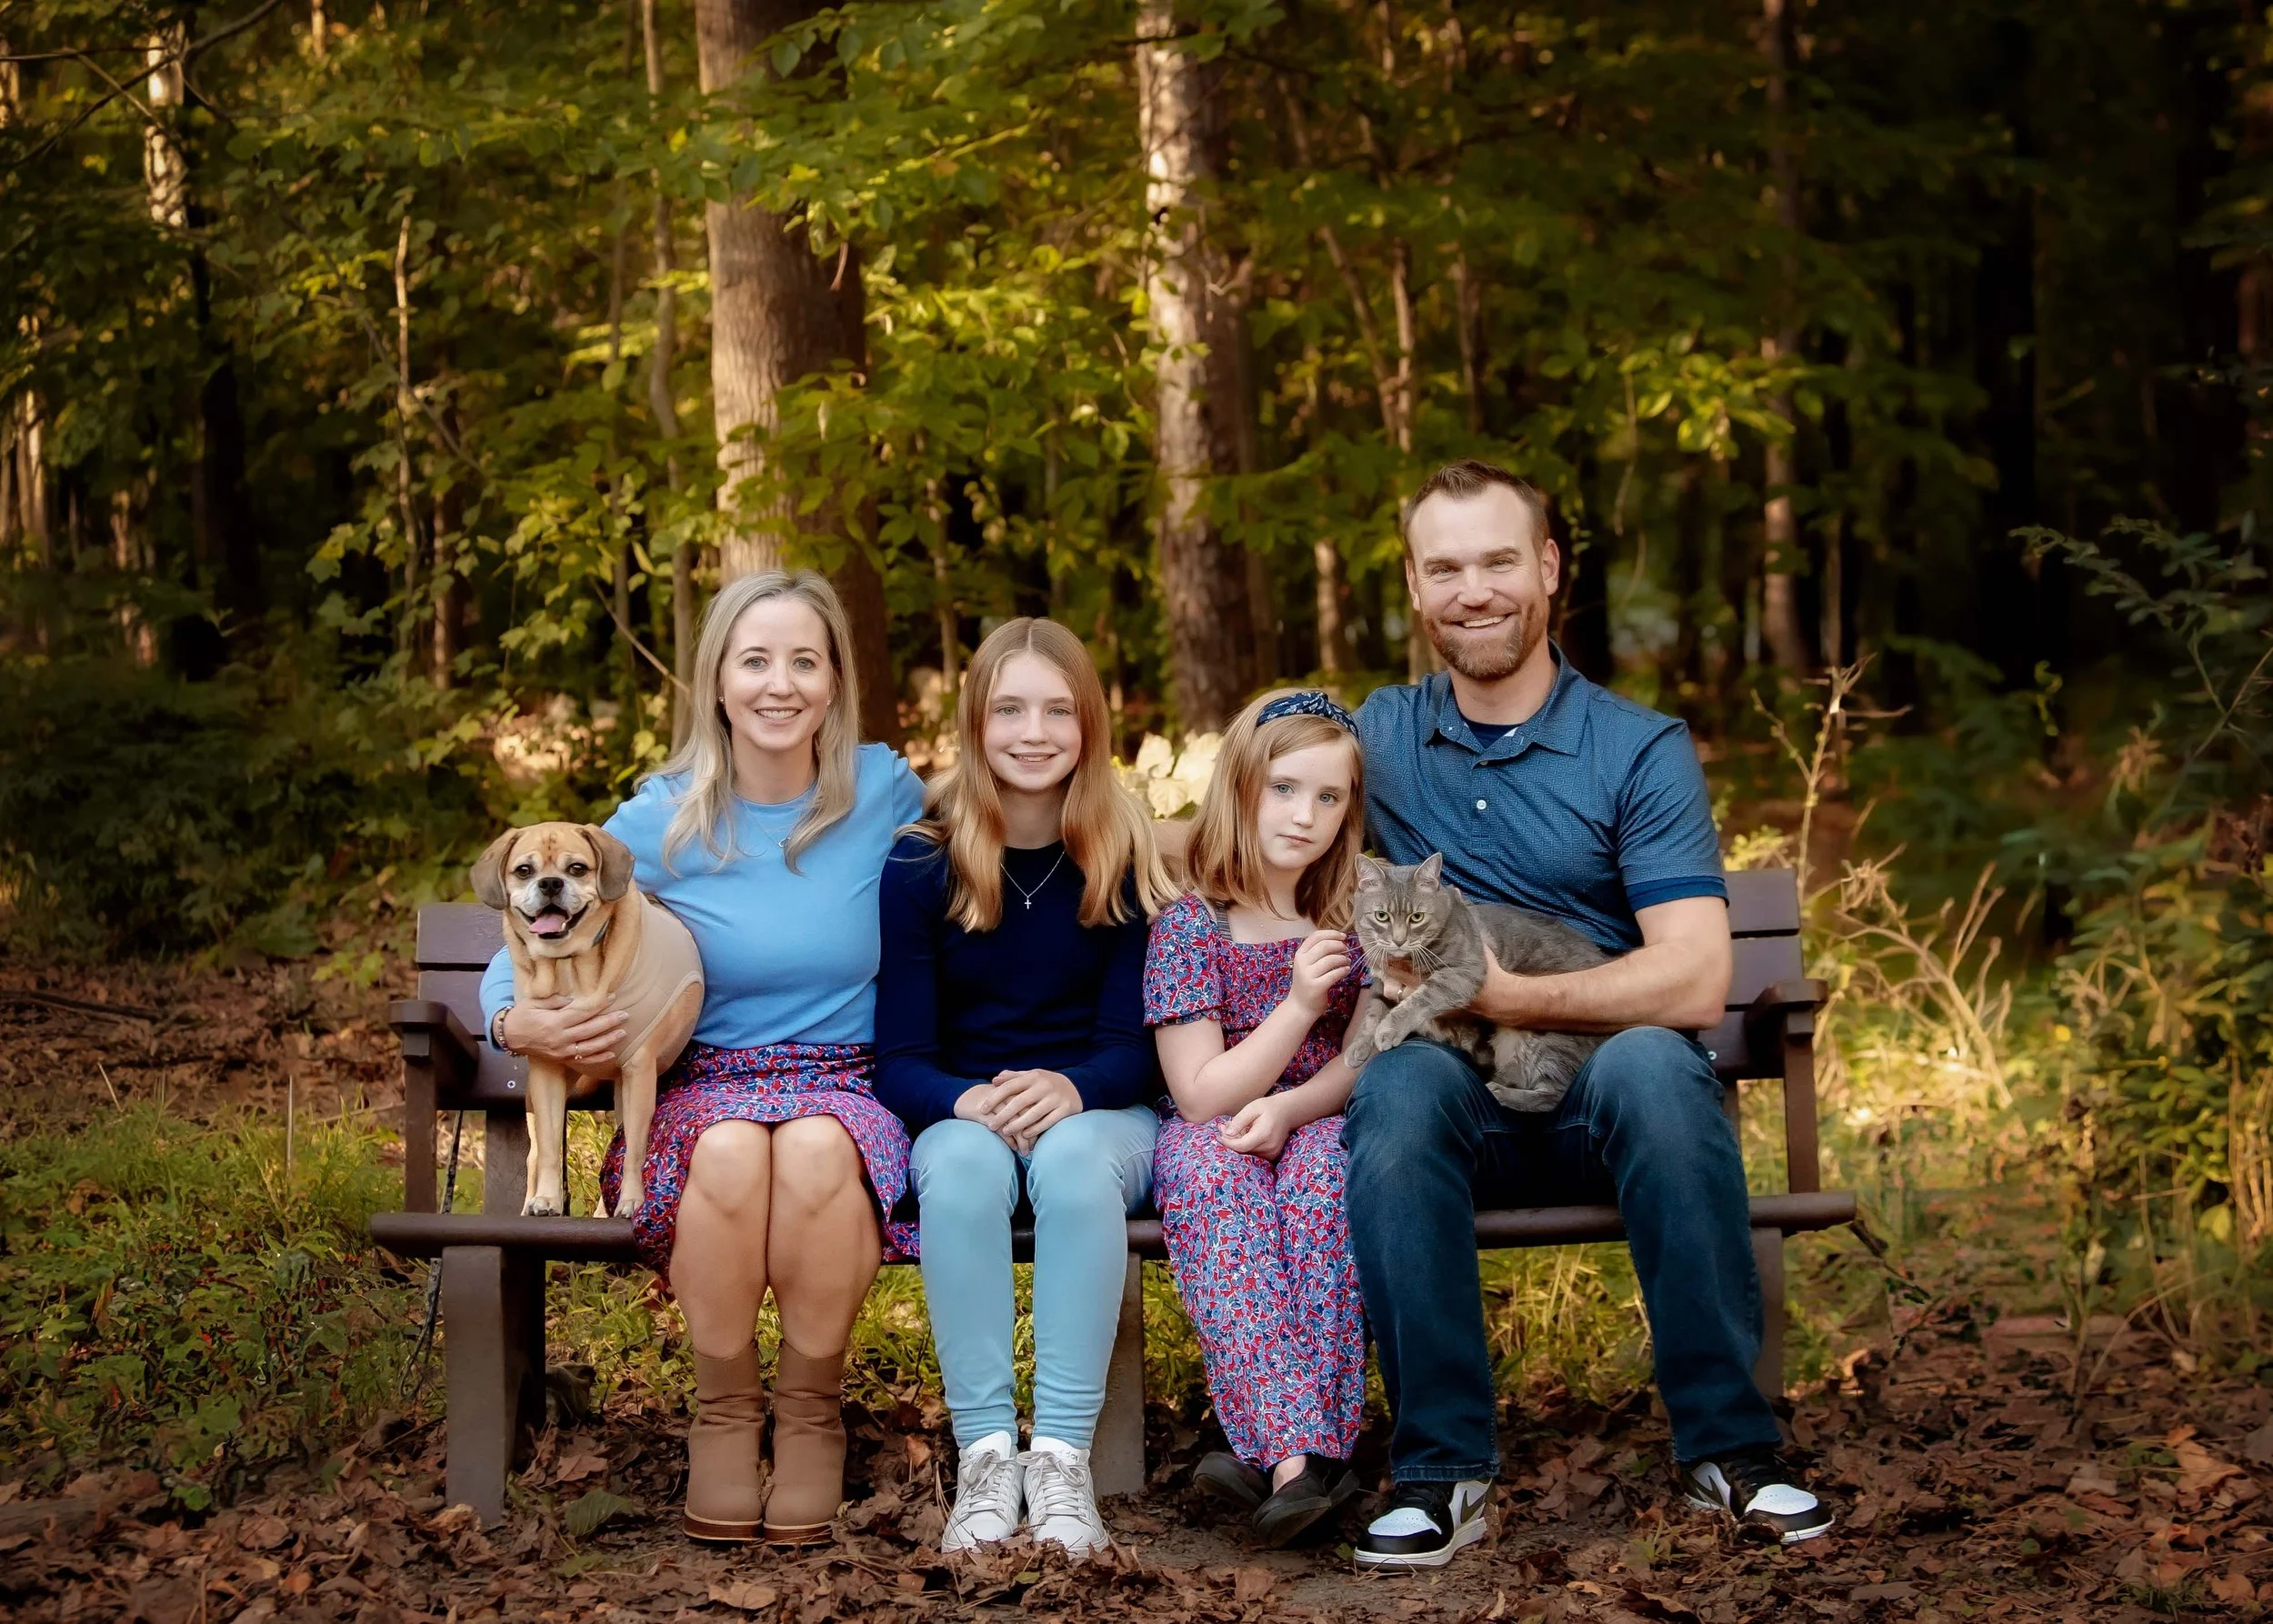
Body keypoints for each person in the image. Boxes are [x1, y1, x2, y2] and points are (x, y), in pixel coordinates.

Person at [1343, 459, 1835, 1569]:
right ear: (1417, 591)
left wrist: (1504, 992)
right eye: (1445, 568)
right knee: (1398, 1082)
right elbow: (1246, 810)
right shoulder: (1376, 735)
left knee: (1660, 1066)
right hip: (1457, 1105)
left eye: (1499, 561)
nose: (1474, 590)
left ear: (1550, 569)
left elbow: (1693, 976)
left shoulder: (1636, 747)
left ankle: (1733, 1449)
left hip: (1601, 1105)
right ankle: (1438, 1469)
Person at [479, 570, 924, 1546]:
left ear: (836, 680)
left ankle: (808, 1413)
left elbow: (990, 875)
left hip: (848, 1077)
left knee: (813, 1147)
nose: (780, 683)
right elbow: (523, 942)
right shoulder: (656, 821)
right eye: (754, 659)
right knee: (724, 1150)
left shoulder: (886, 790)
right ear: (716, 681)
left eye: (804, 660)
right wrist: (518, 1024)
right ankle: (724, 1413)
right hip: (698, 1080)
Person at [875, 617, 1175, 1557]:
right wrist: (964, 1101)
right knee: (959, 1170)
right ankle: (986, 1456)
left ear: (1088, 724)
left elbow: (1137, 1047)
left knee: (1076, 1164)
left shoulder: (1121, 854)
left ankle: (1060, 1458)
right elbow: (900, 1059)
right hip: (966, 1109)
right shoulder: (921, 862)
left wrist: (1070, 1088)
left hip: (1100, 1112)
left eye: (1057, 709)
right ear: (974, 722)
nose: (1033, 731)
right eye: (1009, 708)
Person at [1143, 688, 1371, 1548]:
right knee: (1209, 1180)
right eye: (1283, 788)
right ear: (1241, 786)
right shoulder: (1190, 924)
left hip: (1319, 1114)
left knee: (1325, 1179)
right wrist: (1300, 1004)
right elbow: (1200, 1092)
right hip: (1217, 1127)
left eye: (1329, 796)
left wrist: (1293, 1106)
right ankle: (1307, 1461)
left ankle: (1277, 1459)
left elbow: (1364, 1056)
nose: (1304, 815)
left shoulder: (1353, 919)